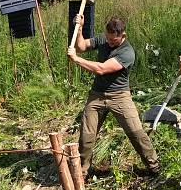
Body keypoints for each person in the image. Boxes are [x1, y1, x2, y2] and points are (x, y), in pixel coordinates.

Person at [67, 16, 159, 178]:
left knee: (136, 133)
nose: (109, 42)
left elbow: (102, 69)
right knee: (86, 137)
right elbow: (81, 46)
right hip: (97, 95)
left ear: (123, 36)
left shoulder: (127, 52)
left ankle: (154, 167)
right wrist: (80, 28)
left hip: (119, 96)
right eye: (108, 38)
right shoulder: (104, 38)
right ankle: (82, 173)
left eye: (113, 40)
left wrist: (76, 59)